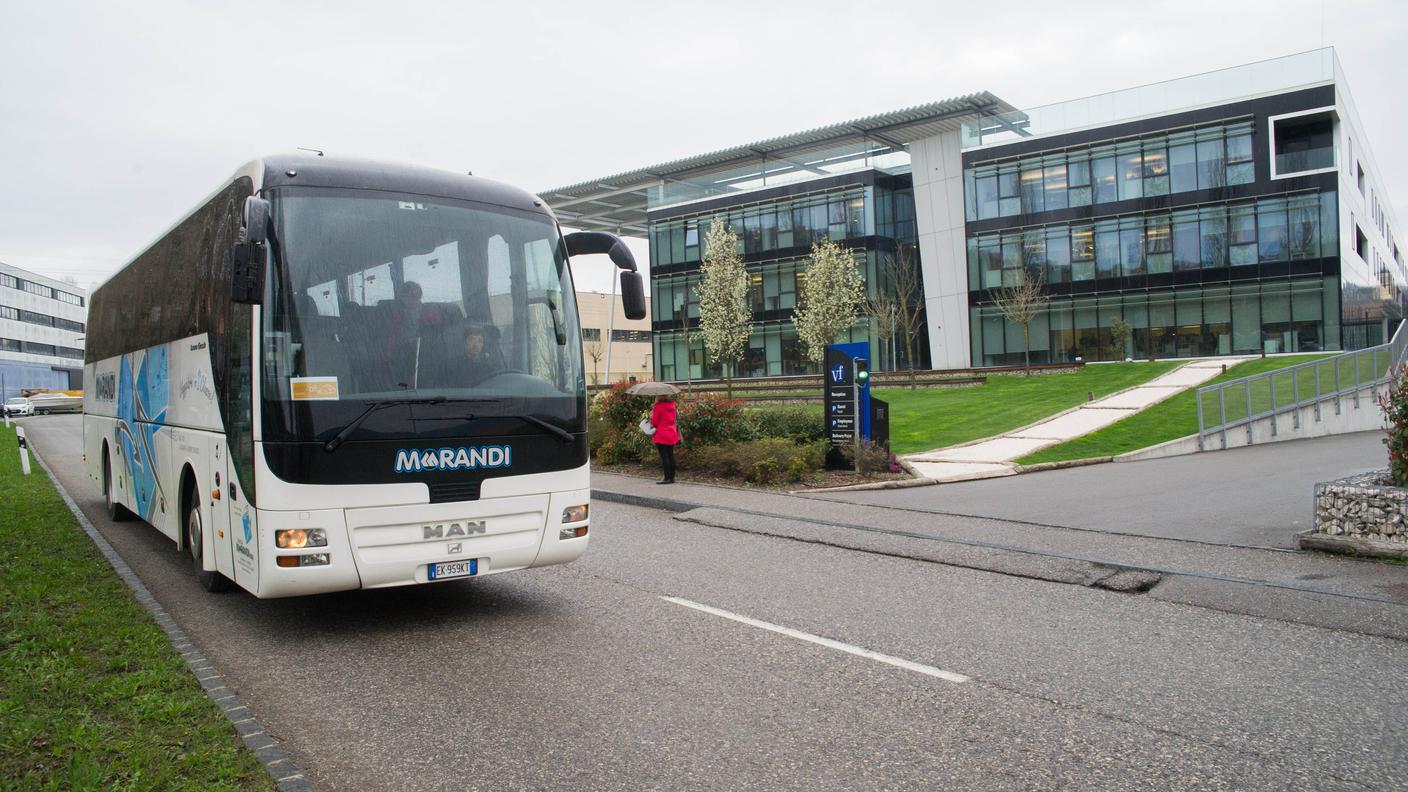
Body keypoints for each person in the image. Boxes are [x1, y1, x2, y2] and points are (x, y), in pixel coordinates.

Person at [649, 395, 680, 484]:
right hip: (671, 433)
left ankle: (666, 478)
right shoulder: (673, 405)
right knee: (671, 455)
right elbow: (674, 418)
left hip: (662, 434)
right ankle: (672, 477)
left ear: (658, 397)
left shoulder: (658, 407)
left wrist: (651, 418)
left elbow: (654, 422)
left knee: (664, 456)